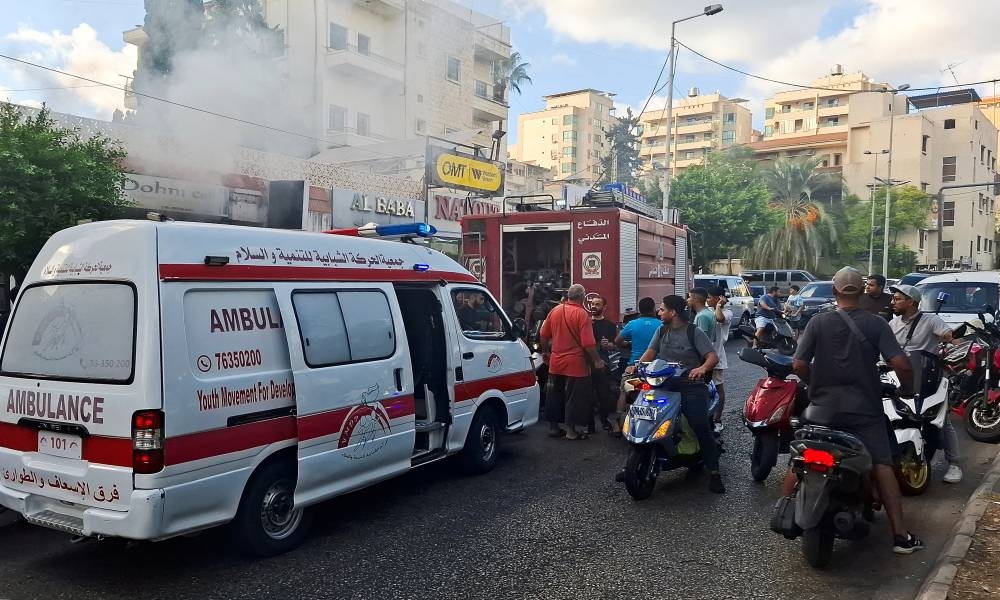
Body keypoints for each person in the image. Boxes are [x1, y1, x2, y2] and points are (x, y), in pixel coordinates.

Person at [786, 266, 924, 554]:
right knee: (882, 464)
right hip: (864, 410)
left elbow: (798, 365)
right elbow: (901, 364)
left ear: (834, 292)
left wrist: (815, 385)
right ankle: (900, 536)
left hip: (822, 409)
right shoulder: (876, 324)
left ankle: (785, 511)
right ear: (862, 292)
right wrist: (908, 389)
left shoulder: (817, 323)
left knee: (800, 455)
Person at [630, 295, 725, 494]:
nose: (659, 312)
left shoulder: (693, 331)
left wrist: (701, 368)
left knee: (698, 423)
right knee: (642, 414)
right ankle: (633, 463)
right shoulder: (661, 329)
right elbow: (651, 351)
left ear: (673, 312)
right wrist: (637, 365)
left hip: (690, 385)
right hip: (663, 383)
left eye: (662, 309)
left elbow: (712, 357)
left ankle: (714, 473)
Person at [888, 284, 963, 484]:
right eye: (893, 298)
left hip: (929, 378)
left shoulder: (931, 320)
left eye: (897, 298)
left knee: (942, 421)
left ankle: (954, 464)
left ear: (911, 301)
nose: (892, 302)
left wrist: (963, 350)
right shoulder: (892, 324)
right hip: (898, 379)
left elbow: (952, 338)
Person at [539, 284, 605, 440]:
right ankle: (571, 431)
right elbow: (588, 343)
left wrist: (546, 352)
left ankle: (554, 428)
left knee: (554, 395)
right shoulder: (581, 314)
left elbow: (543, 334)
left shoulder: (555, 310)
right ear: (582, 296)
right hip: (575, 363)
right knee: (574, 397)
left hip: (556, 361)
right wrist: (597, 360)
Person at [611, 297, 662, 434]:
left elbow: (617, 341)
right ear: (653, 309)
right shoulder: (662, 325)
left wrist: (628, 344)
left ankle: (618, 422)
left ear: (640, 310)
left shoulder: (632, 324)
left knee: (625, 389)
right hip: (657, 370)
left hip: (636, 369)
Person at [590, 295, 619, 432]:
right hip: (586, 364)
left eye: (597, 304)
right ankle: (589, 424)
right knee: (587, 395)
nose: (593, 306)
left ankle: (604, 420)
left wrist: (609, 345)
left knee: (604, 395)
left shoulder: (610, 325)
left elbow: (615, 345)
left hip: (603, 364)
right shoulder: (587, 323)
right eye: (592, 303)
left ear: (604, 307)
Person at [707, 287, 733, 432]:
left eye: (710, 298)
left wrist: (718, 306)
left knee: (718, 387)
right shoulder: (705, 311)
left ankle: (718, 419)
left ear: (719, 298)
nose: (707, 300)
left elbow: (719, 318)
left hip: (716, 355)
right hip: (702, 357)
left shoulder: (727, 312)